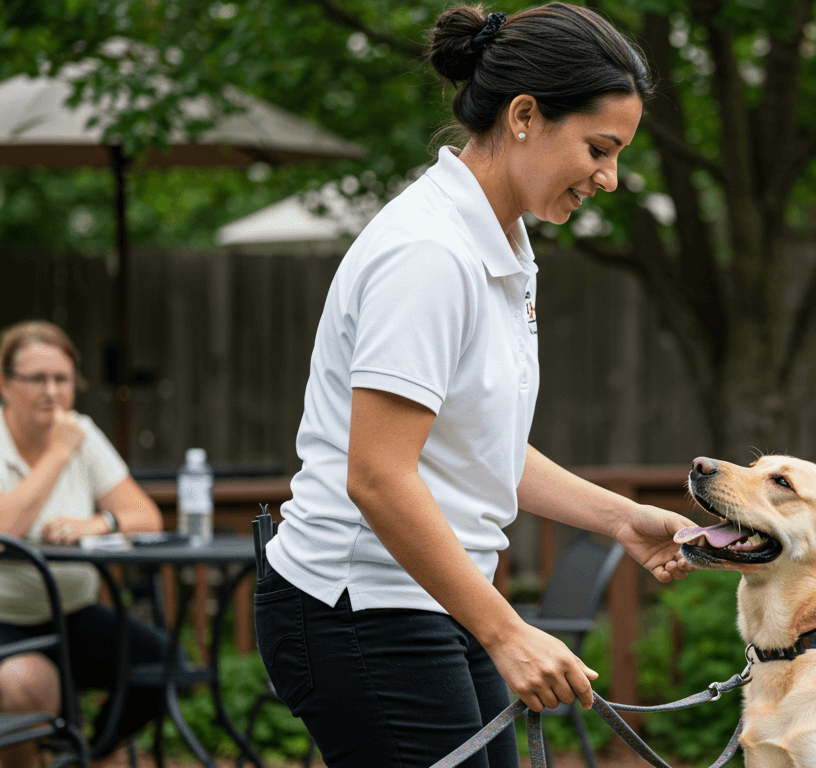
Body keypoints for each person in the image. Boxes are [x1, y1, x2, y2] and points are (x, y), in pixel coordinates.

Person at [254, 4, 695, 767]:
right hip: (358, 605)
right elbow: (379, 477)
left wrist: (620, 518)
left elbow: (477, 450)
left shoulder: (503, 244)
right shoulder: (429, 253)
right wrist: (505, 629)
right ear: (524, 115)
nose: (611, 178)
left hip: (434, 596)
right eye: (599, 148)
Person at [0, 320, 170, 768]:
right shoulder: (61, 441)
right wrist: (57, 454)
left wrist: (99, 522)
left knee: (162, 663)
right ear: (5, 383)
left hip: (74, 612)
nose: (52, 392)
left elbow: (145, 515)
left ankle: (92, 755)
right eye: (37, 378)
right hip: (7, 619)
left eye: (62, 379)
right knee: (22, 684)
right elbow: (3, 530)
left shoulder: (83, 433)